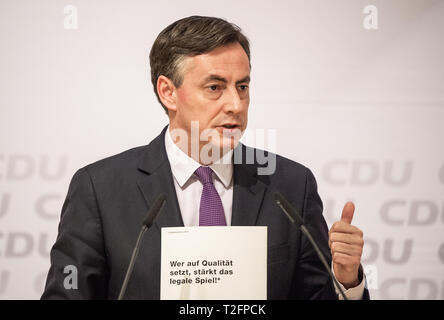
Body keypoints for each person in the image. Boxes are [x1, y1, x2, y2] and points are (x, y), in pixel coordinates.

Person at [41, 16, 368, 300]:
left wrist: (345, 280)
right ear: (168, 92)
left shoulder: (292, 186)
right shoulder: (101, 189)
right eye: (215, 87)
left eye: (242, 87)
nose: (236, 105)